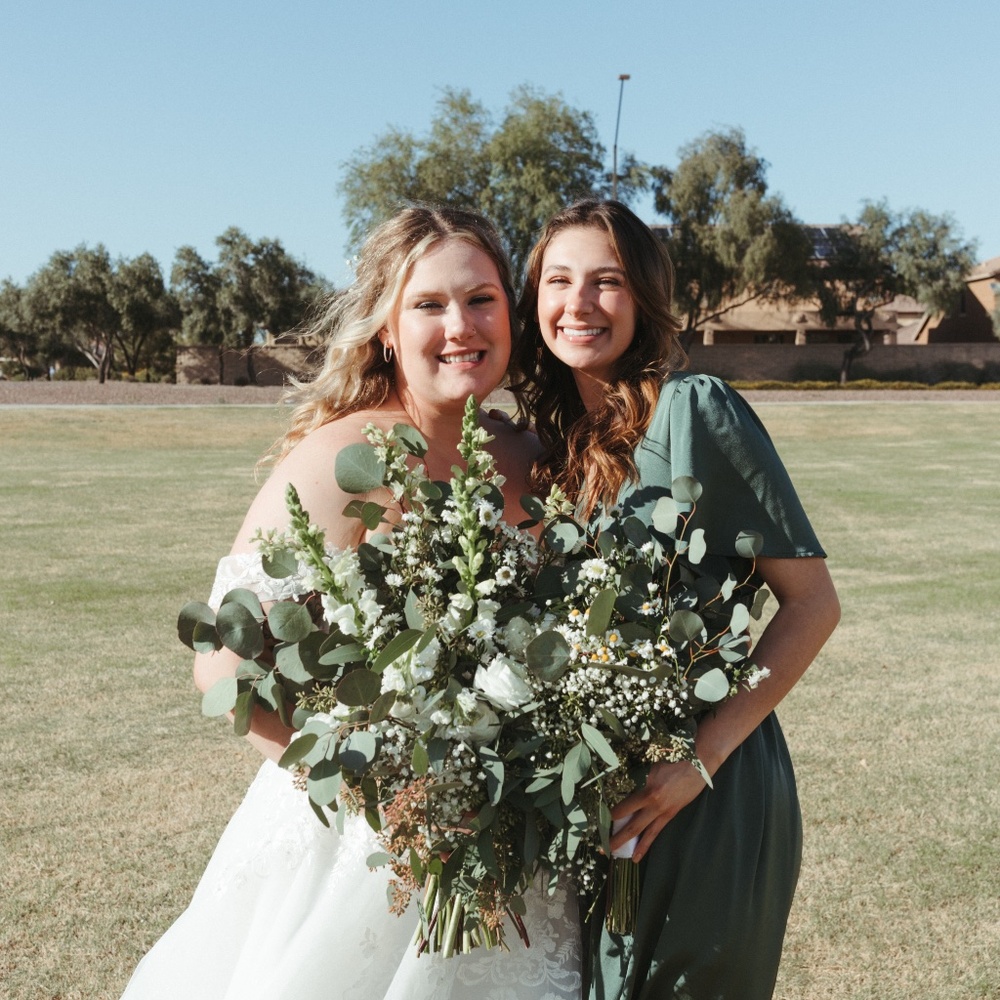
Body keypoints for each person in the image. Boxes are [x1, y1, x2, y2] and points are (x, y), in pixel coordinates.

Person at [120, 206, 582, 1000]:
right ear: (387, 332)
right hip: (363, 850)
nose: (460, 326)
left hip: (518, 848)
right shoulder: (336, 460)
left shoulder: (540, 459)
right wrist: (389, 800)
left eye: (481, 300)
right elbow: (219, 669)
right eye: (428, 305)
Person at [511, 200, 840, 1000]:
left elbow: (811, 605)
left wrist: (699, 758)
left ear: (645, 298)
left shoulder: (694, 410)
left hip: (707, 790)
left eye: (607, 281)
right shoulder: (550, 453)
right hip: (590, 803)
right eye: (559, 281)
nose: (579, 303)